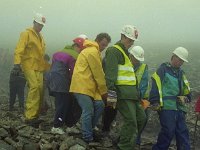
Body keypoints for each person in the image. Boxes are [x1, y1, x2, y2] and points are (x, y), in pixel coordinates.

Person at [104, 25, 146, 150]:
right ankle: (124, 146)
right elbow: (110, 75)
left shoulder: (125, 53)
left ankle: (122, 140)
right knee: (131, 121)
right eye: (130, 40)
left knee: (141, 118)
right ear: (122, 36)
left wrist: (137, 95)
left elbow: (129, 76)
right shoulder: (114, 51)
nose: (131, 43)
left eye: (133, 40)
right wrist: (112, 98)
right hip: (122, 94)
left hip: (132, 95)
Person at [70, 33, 111, 143]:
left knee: (99, 105)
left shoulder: (93, 51)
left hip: (88, 86)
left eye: (105, 46)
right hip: (81, 86)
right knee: (88, 109)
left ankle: (87, 129)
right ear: (96, 40)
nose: (103, 48)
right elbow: (98, 74)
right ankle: (87, 137)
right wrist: (104, 93)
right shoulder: (92, 51)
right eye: (102, 45)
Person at [149, 47, 191, 150]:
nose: (181, 62)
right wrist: (155, 101)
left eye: (182, 61)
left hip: (179, 108)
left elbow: (187, 91)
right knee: (168, 131)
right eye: (179, 59)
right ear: (173, 57)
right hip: (167, 107)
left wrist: (186, 98)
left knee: (182, 132)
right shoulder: (162, 70)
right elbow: (156, 86)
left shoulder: (181, 73)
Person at [12, 13, 46, 127]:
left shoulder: (41, 37)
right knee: (34, 87)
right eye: (39, 24)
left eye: (42, 25)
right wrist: (17, 63)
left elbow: (41, 54)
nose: (40, 27)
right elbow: (19, 48)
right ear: (34, 23)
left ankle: (35, 115)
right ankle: (29, 116)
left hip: (38, 67)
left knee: (40, 89)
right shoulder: (26, 34)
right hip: (28, 64)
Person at [47, 37, 85, 134]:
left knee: (64, 102)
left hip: (52, 79)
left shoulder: (59, 52)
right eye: (81, 48)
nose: (81, 51)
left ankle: (69, 125)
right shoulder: (74, 55)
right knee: (63, 104)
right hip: (62, 81)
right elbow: (73, 72)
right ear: (76, 46)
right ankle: (56, 126)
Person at [129, 46, 150, 146]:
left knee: (143, 118)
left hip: (141, 98)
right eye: (136, 59)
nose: (137, 61)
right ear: (130, 56)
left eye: (138, 59)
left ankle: (136, 140)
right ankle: (127, 140)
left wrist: (138, 97)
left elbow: (143, 85)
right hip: (128, 98)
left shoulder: (143, 67)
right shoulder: (125, 66)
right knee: (131, 120)